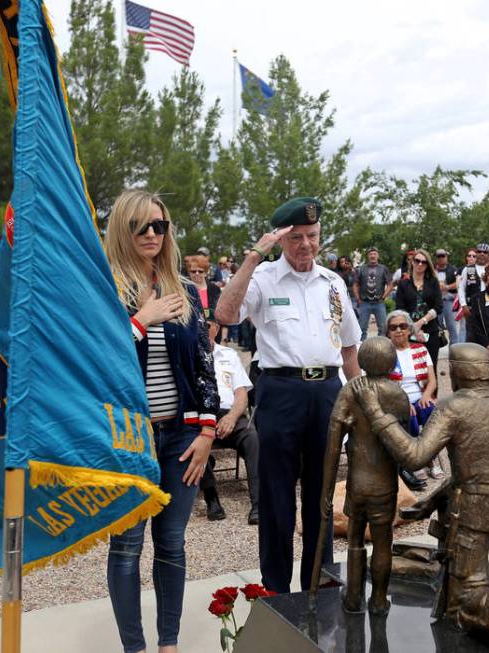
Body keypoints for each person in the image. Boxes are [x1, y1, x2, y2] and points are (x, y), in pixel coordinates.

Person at [350, 343, 489, 649]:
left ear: (456, 373)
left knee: (464, 602)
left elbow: (414, 456)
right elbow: (478, 467)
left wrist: (375, 411)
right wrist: (432, 501)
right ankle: (477, 591)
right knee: (468, 571)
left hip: (474, 513)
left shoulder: (455, 406)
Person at [215, 196, 362, 594]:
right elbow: (225, 315)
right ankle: (276, 592)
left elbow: (349, 345)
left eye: (312, 236)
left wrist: (361, 394)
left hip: (328, 391)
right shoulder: (262, 277)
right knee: (278, 497)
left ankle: (320, 585)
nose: (305, 246)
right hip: (281, 391)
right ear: (280, 241)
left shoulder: (333, 283)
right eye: (295, 238)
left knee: (322, 495)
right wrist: (251, 258)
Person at [103, 189, 219, 653]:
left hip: (182, 435)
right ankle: (135, 647)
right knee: (127, 547)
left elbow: (204, 364)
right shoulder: (104, 287)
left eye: (160, 226)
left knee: (171, 543)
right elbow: (95, 362)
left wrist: (208, 430)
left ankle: (168, 643)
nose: (152, 234)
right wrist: (139, 321)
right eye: (141, 226)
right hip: (127, 438)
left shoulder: (184, 289)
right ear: (122, 230)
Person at [319, 336, 409, 615]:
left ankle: (354, 595)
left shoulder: (351, 392)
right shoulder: (399, 395)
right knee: (383, 541)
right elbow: (404, 442)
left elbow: (332, 448)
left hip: (358, 482)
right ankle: (379, 599)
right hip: (384, 482)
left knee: (355, 539)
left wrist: (327, 491)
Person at [197, 316, 261, 525]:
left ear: (215, 328)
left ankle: (259, 504)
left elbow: (241, 394)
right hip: (202, 417)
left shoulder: (229, 354)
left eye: (206, 325)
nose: (202, 329)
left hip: (230, 414)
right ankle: (211, 499)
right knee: (193, 439)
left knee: (253, 438)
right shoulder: (189, 354)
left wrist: (232, 417)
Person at [385, 310, 441, 482]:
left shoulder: (421, 349)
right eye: (393, 327)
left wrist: (426, 395)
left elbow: (432, 381)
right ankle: (415, 462)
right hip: (397, 400)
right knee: (410, 418)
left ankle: (429, 458)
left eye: (403, 326)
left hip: (420, 397)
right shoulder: (386, 354)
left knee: (432, 414)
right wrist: (402, 402)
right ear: (388, 332)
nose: (399, 330)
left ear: (409, 329)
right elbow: (384, 386)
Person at [393, 248, 443, 367]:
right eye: (417, 260)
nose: (420, 264)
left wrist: (421, 322)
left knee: (431, 369)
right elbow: (400, 309)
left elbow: (438, 307)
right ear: (412, 262)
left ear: (427, 265)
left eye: (424, 262)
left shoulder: (433, 282)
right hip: (409, 332)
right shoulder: (403, 284)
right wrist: (414, 328)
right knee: (412, 369)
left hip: (431, 331)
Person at [354, 247, 393, 341]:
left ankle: (381, 348)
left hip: (379, 302)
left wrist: (384, 297)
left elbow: (390, 284)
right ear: (368, 256)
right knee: (361, 328)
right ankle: (361, 349)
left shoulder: (383, 269)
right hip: (364, 302)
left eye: (374, 254)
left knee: (383, 328)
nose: (373, 256)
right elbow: (355, 284)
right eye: (370, 254)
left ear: (378, 256)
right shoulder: (361, 269)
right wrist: (357, 298)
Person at [455, 248, 481, 343]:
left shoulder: (486, 268)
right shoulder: (467, 269)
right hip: (469, 304)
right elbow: (460, 287)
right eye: (469, 256)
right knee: (466, 330)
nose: (471, 258)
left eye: (474, 256)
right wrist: (463, 304)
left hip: (483, 305)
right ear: (466, 257)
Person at [434, 249, 459, 346]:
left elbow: (458, 283)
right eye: (438, 256)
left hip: (448, 300)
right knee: (436, 326)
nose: (441, 258)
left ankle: (454, 350)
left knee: (451, 326)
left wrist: (447, 287)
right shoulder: (432, 269)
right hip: (436, 300)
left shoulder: (453, 269)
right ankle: (436, 347)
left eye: (442, 256)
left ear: (446, 257)